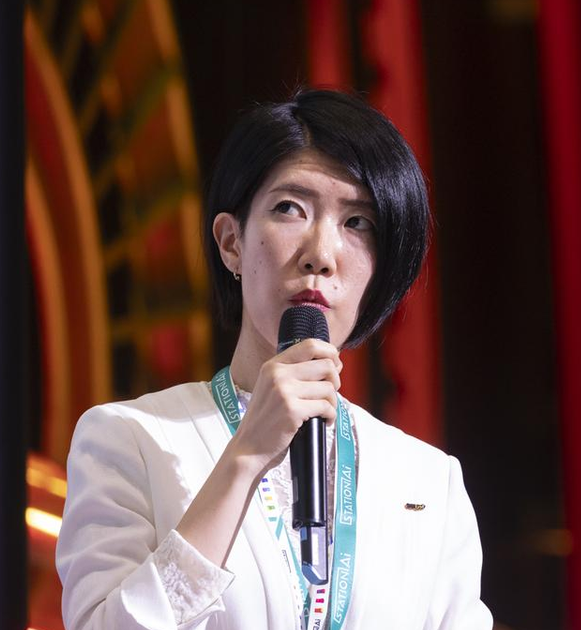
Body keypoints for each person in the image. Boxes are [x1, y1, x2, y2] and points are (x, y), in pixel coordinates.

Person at [55, 89, 493, 630]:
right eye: (290, 208)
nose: (321, 254)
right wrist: (245, 455)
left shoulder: (428, 481)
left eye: (358, 222)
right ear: (231, 242)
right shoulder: (129, 439)